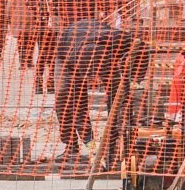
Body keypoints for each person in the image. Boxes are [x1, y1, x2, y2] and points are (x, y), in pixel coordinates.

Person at [53, 19, 151, 164]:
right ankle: (71, 145)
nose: (96, 81)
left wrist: (135, 80)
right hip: (67, 57)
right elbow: (78, 107)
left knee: (120, 97)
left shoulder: (118, 40)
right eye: (91, 77)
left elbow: (143, 49)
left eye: (97, 76)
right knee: (64, 100)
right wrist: (91, 145)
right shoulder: (71, 57)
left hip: (98, 47)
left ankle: (117, 142)